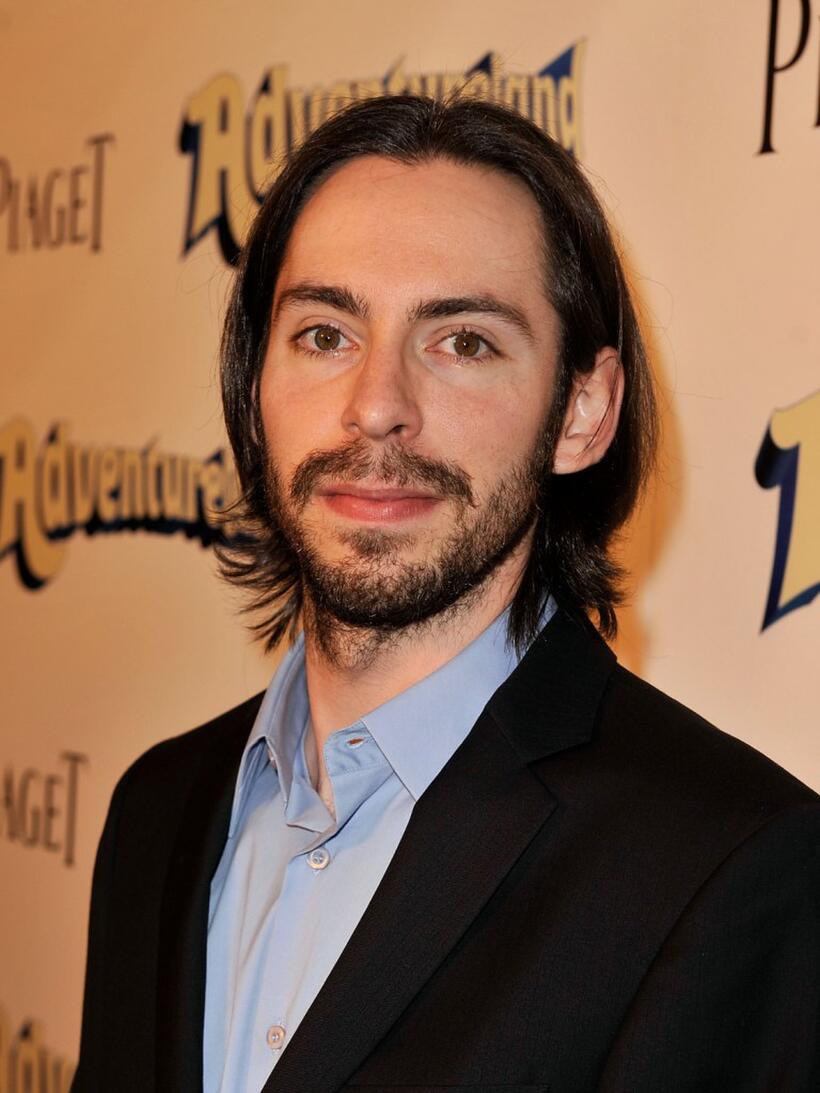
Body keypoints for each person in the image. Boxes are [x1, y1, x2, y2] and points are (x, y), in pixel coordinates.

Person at [73, 95, 820, 1093]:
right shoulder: (158, 811)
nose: (376, 404)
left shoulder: (727, 870)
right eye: (325, 333)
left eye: (462, 341)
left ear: (582, 410)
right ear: (254, 384)